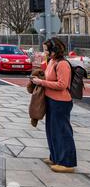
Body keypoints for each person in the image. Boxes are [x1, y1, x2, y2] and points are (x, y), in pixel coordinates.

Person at [31, 37, 77, 173]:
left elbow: (62, 85)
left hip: (61, 102)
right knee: (52, 131)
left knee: (62, 132)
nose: (44, 52)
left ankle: (67, 163)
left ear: (54, 50)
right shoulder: (52, 61)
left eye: (46, 50)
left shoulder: (62, 64)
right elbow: (49, 77)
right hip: (51, 100)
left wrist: (41, 82)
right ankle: (55, 157)